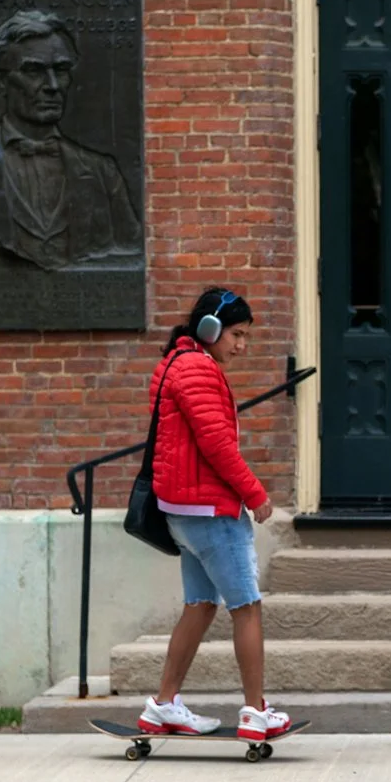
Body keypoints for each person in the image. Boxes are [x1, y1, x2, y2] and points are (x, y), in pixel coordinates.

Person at [136, 287, 291, 741]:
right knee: (247, 607)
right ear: (210, 328)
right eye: (236, 334)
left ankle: (163, 706)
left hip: (183, 512)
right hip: (210, 512)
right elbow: (217, 445)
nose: (241, 346)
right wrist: (254, 494)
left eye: (246, 336)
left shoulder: (175, 363)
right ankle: (256, 712)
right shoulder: (198, 370)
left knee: (201, 604)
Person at [0, 9, 143, 271]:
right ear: (0, 81)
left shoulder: (103, 175)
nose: (53, 85)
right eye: (34, 71)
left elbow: (130, 260)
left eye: (61, 70)